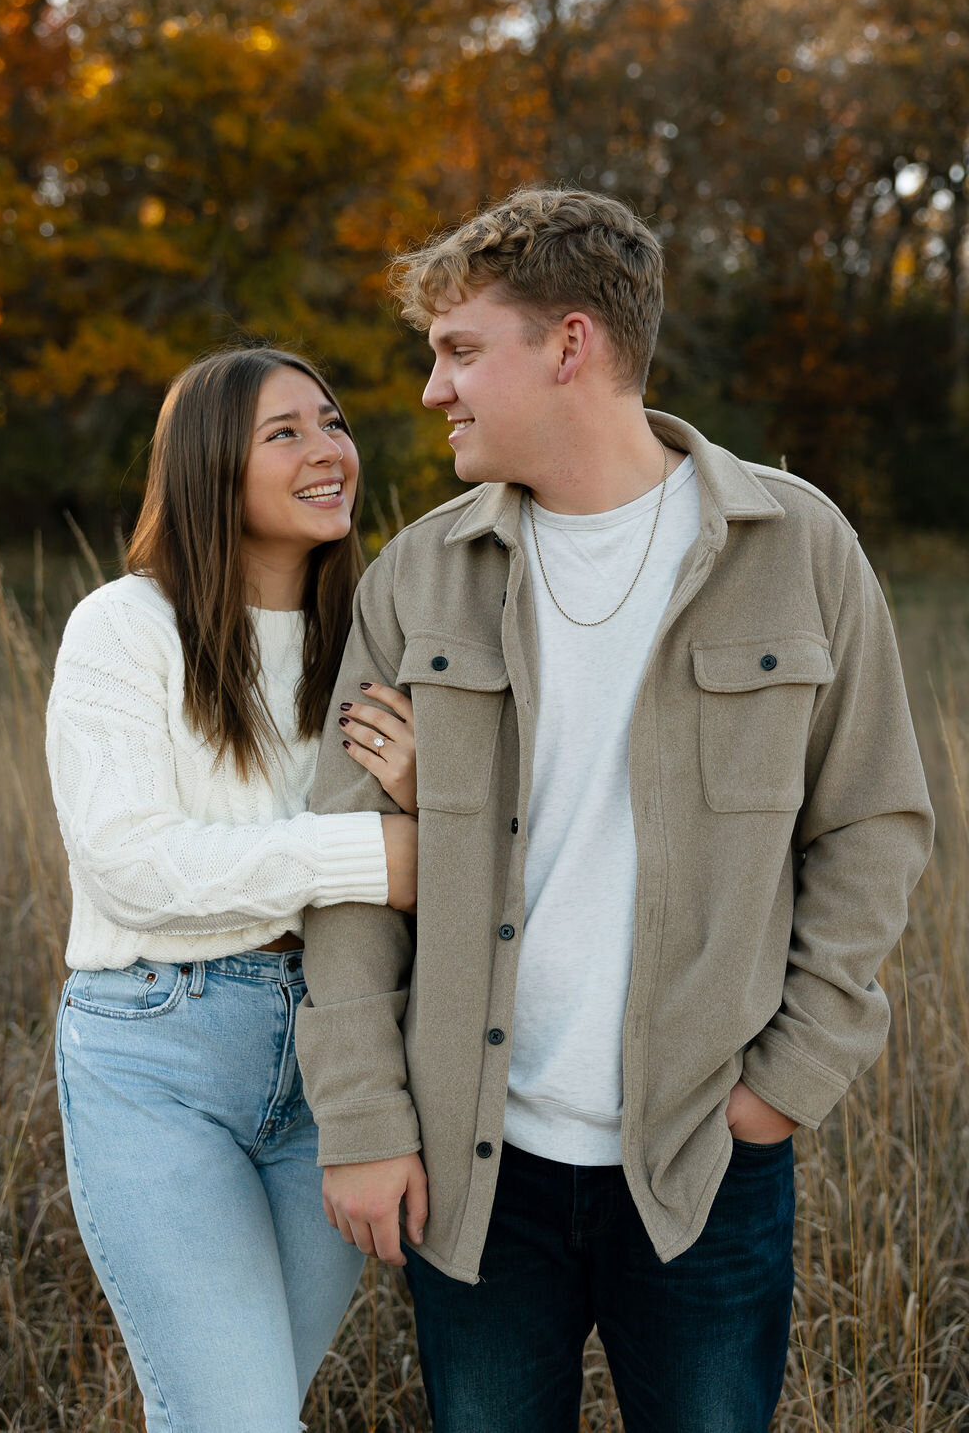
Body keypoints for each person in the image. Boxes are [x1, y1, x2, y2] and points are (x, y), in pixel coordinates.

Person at [295, 187, 935, 1432]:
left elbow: (872, 823)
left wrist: (787, 1080)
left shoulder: (796, 548)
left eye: (462, 351)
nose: (433, 390)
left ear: (571, 345)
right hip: (479, 1168)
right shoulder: (420, 577)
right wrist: (365, 1117)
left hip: (706, 1158)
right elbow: (352, 870)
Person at [47, 345, 420, 1433]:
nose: (328, 451)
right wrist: (372, 855)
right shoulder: (124, 628)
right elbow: (134, 864)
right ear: (213, 466)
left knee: (243, 1410)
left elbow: (473, 854)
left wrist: (429, 798)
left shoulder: (376, 637)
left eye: (333, 421)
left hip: (339, 1060)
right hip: (157, 1052)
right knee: (234, 1419)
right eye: (285, 433)